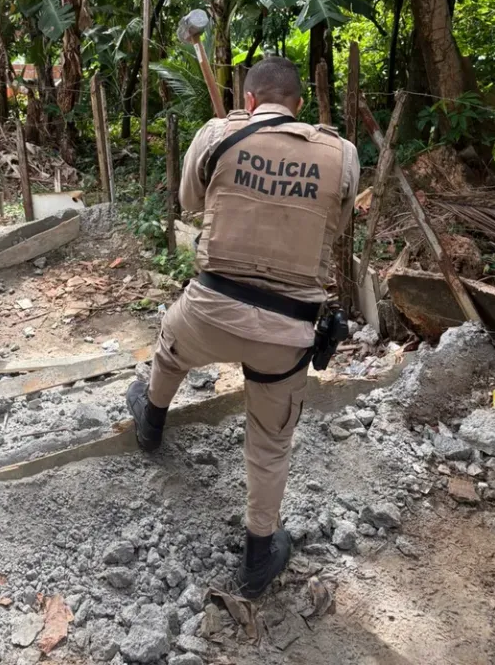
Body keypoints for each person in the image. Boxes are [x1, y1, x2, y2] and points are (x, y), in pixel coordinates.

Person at [126, 56, 359, 599]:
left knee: (170, 348)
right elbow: (337, 224)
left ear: (249, 100)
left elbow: (188, 203)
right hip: (288, 331)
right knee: (270, 443)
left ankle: (151, 423)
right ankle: (258, 555)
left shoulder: (217, 133)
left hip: (211, 311)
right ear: (300, 105)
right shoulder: (341, 154)